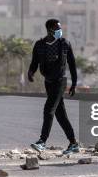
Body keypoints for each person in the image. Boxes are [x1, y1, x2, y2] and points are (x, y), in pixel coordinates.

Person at [28, 18, 79, 155]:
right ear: (50, 30)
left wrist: (73, 84)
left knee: (48, 109)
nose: (59, 31)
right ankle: (73, 143)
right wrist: (30, 72)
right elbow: (34, 63)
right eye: (57, 29)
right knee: (60, 115)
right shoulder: (39, 45)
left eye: (60, 28)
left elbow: (72, 65)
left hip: (60, 81)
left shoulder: (64, 44)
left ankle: (42, 142)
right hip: (48, 82)